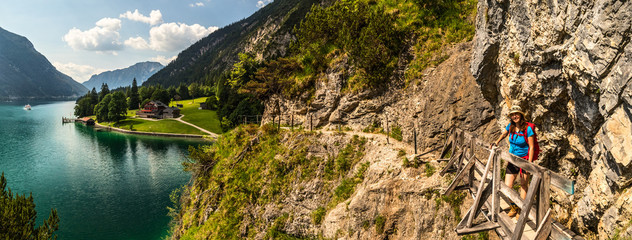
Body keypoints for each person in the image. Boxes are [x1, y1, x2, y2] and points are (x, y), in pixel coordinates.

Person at [490, 105, 536, 218]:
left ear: (521, 115)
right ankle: (514, 206)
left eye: (517, 114)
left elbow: (532, 147)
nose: (515, 116)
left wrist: (529, 164)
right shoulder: (510, 126)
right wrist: (497, 142)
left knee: (524, 185)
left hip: (524, 160)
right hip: (512, 159)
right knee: (507, 186)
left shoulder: (527, 129)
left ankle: (521, 209)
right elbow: (504, 133)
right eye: (512, 114)